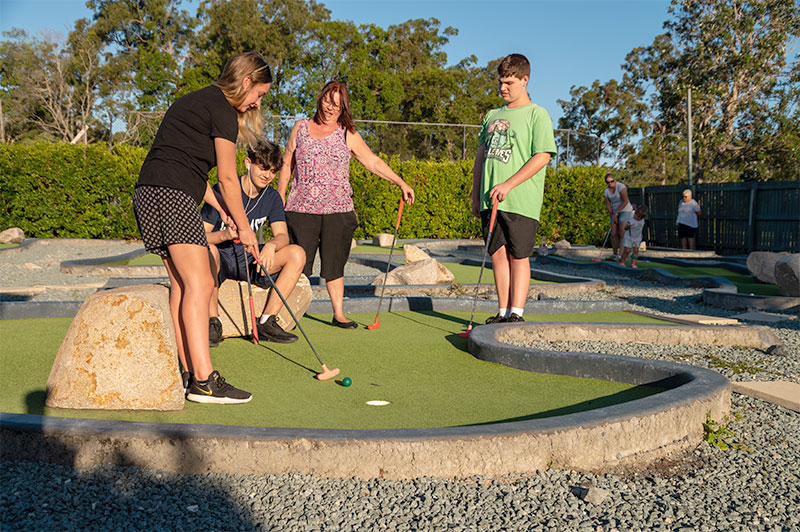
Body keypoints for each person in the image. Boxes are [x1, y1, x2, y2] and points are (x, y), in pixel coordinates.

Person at [133, 52, 272, 405]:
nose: (258, 101)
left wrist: (220, 208)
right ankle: (204, 380)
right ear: (246, 82)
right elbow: (227, 175)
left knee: (183, 285)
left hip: (151, 193)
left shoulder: (196, 100)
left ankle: (185, 373)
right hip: (171, 193)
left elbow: (185, 164)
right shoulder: (223, 110)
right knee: (201, 282)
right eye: (259, 94)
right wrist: (245, 227)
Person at [277, 81, 415, 329]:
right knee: (296, 265)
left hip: (338, 212)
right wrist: (279, 199)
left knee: (334, 264)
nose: (330, 108)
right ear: (320, 98)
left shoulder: (346, 133)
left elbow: (372, 161)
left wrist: (400, 182)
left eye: (337, 106)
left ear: (343, 109)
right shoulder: (300, 127)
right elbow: (287, 164)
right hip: (300, 210)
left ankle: (338, 313)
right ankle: (281, 315)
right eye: (328, 101)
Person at [471, 53, 557, 324]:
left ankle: (516, 313)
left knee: (518, 255)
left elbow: (542, 156)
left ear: (525, 80)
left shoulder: (537, 114)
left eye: (509, 82)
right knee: (497, 255)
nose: (503, 88)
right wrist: (476, 195)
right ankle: (502, 311)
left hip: (521, 200)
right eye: (500, 82)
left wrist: (509, 184)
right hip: (490, 200)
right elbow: (480, 157)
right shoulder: (492, 116)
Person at [202, 140, 306, 346]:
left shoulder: (272, 197)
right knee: (208, 250)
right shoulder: (222, 190)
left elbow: (282, 235)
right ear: (248, 163)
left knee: (297, 253)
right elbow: (200, 236)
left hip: (249, 257)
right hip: (220, 257)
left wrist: (271, 245)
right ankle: (213, 322)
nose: (267, 175)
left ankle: (267, 321)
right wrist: (225, 235)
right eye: (263, 168)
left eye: (273, 171)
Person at [603, 171, 634, 260]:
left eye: (612, 181)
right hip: (614, 212)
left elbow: (625, 201)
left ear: (614, 180)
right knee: (613, 233)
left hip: (625, 210)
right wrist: (612, 215)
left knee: (622, 233)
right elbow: (608, 204)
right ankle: (614, 254)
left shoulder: (621, 187)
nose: (610, 184)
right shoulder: (606, 191)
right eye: (608, 182)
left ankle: (620, 255)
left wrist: (617, 211)